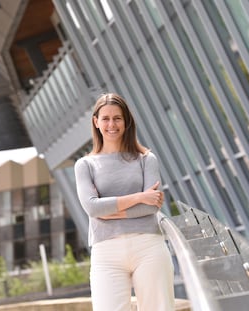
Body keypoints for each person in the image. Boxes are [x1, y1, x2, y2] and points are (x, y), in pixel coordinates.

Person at [74, 93, 175, 311]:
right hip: (106, 252)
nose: (112, 124)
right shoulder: (85, 165)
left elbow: (151, 206)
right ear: (96, 122)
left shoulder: (146, 159)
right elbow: (92, 207)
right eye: (106, 118)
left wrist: (108, 211)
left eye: (117, 118)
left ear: (126, 121)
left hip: (148, 246)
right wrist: (138, 197)